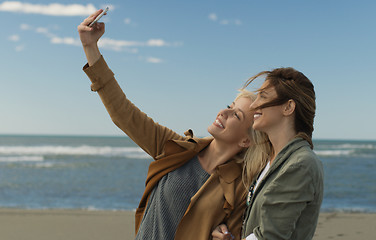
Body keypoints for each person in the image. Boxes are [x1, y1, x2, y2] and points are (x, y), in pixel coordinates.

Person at [77, 9, 264, 240]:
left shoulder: (240, 190)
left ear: (246, 140)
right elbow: (123, 113)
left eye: (236, 115)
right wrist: (90, 47)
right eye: (229, 105)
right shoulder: (177, 148)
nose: (223, 112)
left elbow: (238, 234)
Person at [212, 67, 324, 240]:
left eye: (263, 96)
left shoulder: (300, 164)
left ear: (288, 107)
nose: (254, 104)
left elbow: (270, 236)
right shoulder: (272, 160)